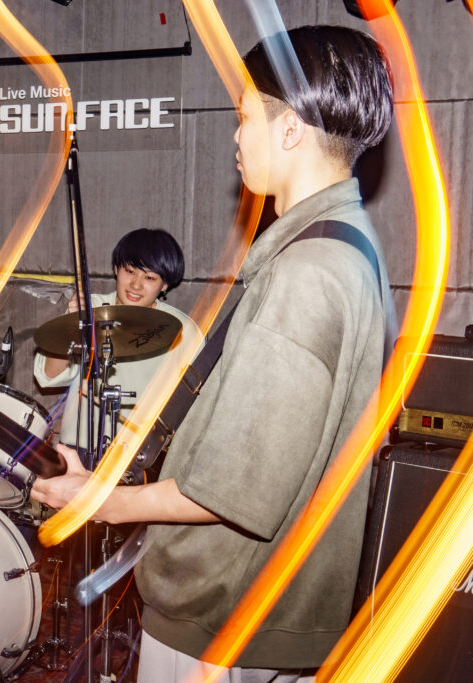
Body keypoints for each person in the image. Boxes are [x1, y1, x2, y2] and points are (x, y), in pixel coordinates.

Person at [32, 25, 394, 682]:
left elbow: (231, 491)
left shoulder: (306, 272)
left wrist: (102, 501)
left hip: (223, 620)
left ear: (290, 130)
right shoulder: (342, 250)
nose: (235, 135)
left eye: (245, 116)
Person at [33, 228, 202, 456]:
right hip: (78, 448)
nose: (136, 285)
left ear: (165, 285)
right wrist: (70, 326)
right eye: (129, 271)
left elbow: (195, 405)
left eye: (150, 277)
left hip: (140, 455)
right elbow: (47, 377)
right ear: (116, 269)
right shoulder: (90, 309)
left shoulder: (184, 330)